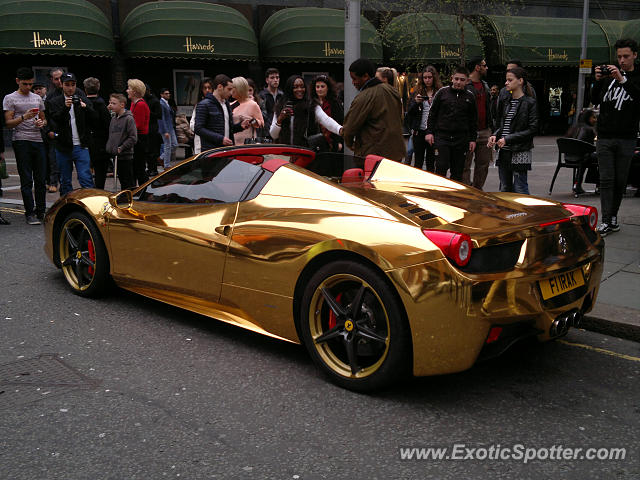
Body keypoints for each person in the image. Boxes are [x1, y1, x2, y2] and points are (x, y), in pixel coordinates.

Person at [591, 38, 640, 236]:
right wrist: (597, 81)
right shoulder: (609, 77)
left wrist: (622, 79)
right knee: (607, 179)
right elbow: (595, 100)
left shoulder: (636, 76)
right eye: (619, 56)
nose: (622, 60)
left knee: (620, 180)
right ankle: (605, 220)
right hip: (605, 135)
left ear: (635, 55)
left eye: (626, 56)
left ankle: (613, 217)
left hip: (627, 136)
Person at [3, 67, 47, 224]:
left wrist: (41, 123)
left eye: (30, 84)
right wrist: (24, 117)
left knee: (41, 179)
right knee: (26, 179)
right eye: (25, 84)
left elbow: (44, 118)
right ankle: (29, 213)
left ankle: (41, 211)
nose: (28, 87)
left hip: (38, 140)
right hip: (21, 140)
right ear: (17, 81)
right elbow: (8, 123)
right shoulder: (10, 98)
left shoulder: (37, 98)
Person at [342, 58, 406, 161]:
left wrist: (350, 144)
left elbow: (349, 128)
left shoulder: (364, 97)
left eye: (354, 79)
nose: (353, 83)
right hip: (396, 153)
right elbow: (400, 117)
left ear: (365, 76)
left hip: (373, 156)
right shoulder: (392, 91)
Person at [488, 67, 538, 194]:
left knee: (520, 188)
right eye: (506, 80)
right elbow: (502, 125)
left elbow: (532, 129)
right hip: (504, 150)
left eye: (510, 80)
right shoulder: (506, 102)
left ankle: (525, 213)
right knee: (505, 188)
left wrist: (508, 139)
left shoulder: (530, 103)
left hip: (520, 150)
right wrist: (495, 135)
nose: (506, 83)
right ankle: (507, 214)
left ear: (520, 81)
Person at [47, 72, 96, 196]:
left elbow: (94, 118)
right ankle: (66, 207)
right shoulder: (55, 101)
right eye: (67, 85)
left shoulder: (81, 97)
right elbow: (55, 120)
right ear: (61, 85)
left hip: (81, 145)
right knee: (65, 180)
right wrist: (65, 107)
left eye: (73, 85)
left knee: (85, 178)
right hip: (63, 146)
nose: (70, 88)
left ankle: (90, 205)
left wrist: (86, 107)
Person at [425, 65, 477, 181]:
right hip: (442, 137)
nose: (458, 82)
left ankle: (454, 198)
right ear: (452, 78)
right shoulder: (442, 93)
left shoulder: (470, 96)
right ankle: (440, 195)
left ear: (467, 81)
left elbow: (473, 119)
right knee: (441, 167)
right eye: (456, 79)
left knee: (458, 171)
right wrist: (429, 132)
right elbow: (432, 114)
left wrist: (473, 139)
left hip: (461, 139)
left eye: (462, 80)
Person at [269, 75, 342, 147]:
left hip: (303, 153)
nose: (300, 89)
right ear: (289, 89)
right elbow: (273, 135)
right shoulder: (280, 105)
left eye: (302, 86)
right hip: (283, 153)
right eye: (295, 87)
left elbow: (326, 120)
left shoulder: (310, 105)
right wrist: (279, 120)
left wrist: (340, 129)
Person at [194, 74, 250, 150]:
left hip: (227, 149)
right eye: (229, 89)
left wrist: (240, 126)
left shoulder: (226, 104)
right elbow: (198, 129)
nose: (231, 93)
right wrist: (220, 139)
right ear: (220, 87)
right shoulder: (204, 104)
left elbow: (227, 128)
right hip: (211, 150)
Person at [463, 57, 493, 189]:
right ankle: (467, 192)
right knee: (465, 164)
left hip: (485, 130)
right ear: (477, 67)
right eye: (484, 65)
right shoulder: (465, 85)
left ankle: (477, 190)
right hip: (468, 131)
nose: (486, 68)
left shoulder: (485, 86)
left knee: (483, 164)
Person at [406, 65, 442, 171]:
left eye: (429, 77)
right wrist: (416, 103)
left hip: (433, 131)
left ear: (434, 78)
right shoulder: (417, 92)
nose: (427, 80)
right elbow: (410, 113)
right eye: (425, 77)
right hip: (419, 131)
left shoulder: (439, 92)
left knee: (431, 161)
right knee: (418, 161)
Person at [83, 77, 111, 189]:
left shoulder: (82, 103)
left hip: (85, 140)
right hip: (100, 142)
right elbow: (107, 124)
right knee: (100, 172)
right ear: (98, 88)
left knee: (85, 169)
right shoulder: (101, 105)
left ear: (85, 89)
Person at [106, 93, 137, 190]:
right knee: (122, 180)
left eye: (114, 103)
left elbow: (133, 137)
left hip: (126, 156)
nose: (111, 105)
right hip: (116, 156)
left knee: (128, 182)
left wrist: (121, 148)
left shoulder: (128, 118)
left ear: (122, 105)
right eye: (110, 103)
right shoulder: (114, 118)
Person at [32, 81, 59, 193]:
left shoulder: (50, 101)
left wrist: (51, 131)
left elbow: (52, 118)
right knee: (43, 160)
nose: (38, 90)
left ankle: (53, 183)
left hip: (50, 133)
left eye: (40, 88)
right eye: (36, 89)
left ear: (45, 89)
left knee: (53, 159)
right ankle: (47, 182)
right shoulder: (31, 101)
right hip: (37, 134)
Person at [565, 109, 598, 195]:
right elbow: (590, 148)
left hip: (568, 158)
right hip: (581, 158)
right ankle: (598, 185)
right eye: (593, 117)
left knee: (589, 157)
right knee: (600, 157)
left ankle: (577, 184)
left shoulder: (573, 127)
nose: (595, 120)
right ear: (588, 118)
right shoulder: (589, 129)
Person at [309, 74, 344, 152]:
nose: (320, 89)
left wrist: (339, 141)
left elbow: (340, 121)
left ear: (328, 88)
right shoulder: (311, 104)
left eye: (322, 86)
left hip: (333, 141)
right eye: (317, 87)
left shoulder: (335, 103)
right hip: (316, 141)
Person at [126, 78, 150, 186]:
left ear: (135, 91)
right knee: (136, 167)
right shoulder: (134, 103)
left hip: (140, 138)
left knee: (139, 167)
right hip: (137, 137)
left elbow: (136, 125)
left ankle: (143, 190)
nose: (127, 90)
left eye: (129, 88)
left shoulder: (140, 105)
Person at [231, 76, 264, 144]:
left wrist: (253, 121)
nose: (230, 91)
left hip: (247, 144)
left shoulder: (252, 104)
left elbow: (262, 124)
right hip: (232, 143)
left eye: (232, 88)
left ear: (239, 89)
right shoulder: (230, 105)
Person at [190, 77, 213, 154]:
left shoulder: (217, 104)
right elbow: (192, 124)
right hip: (200, 140)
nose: (207, 90)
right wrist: (202, 130)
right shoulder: (199, 105)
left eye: (209, 88)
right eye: (204, 88)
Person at [144, 85, 162, 176]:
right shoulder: (143, 100)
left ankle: (153, 169)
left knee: (153, 151)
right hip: (146, 128)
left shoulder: (155, 100)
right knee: (147, 151)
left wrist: (147, 112)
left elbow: (159, 115)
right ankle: (150, 168)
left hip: (153, 128)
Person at [158, 87, 178, 169]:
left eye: (168, 93)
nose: (168, 95)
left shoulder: (166, 103)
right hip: (166, 127)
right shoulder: (161, 103)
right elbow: (161, 118)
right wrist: (165, 131)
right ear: (161, 94)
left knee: (175, 144)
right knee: (168, 145)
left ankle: (162, 158)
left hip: (170, 126)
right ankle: (166, 164)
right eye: (166, 93)